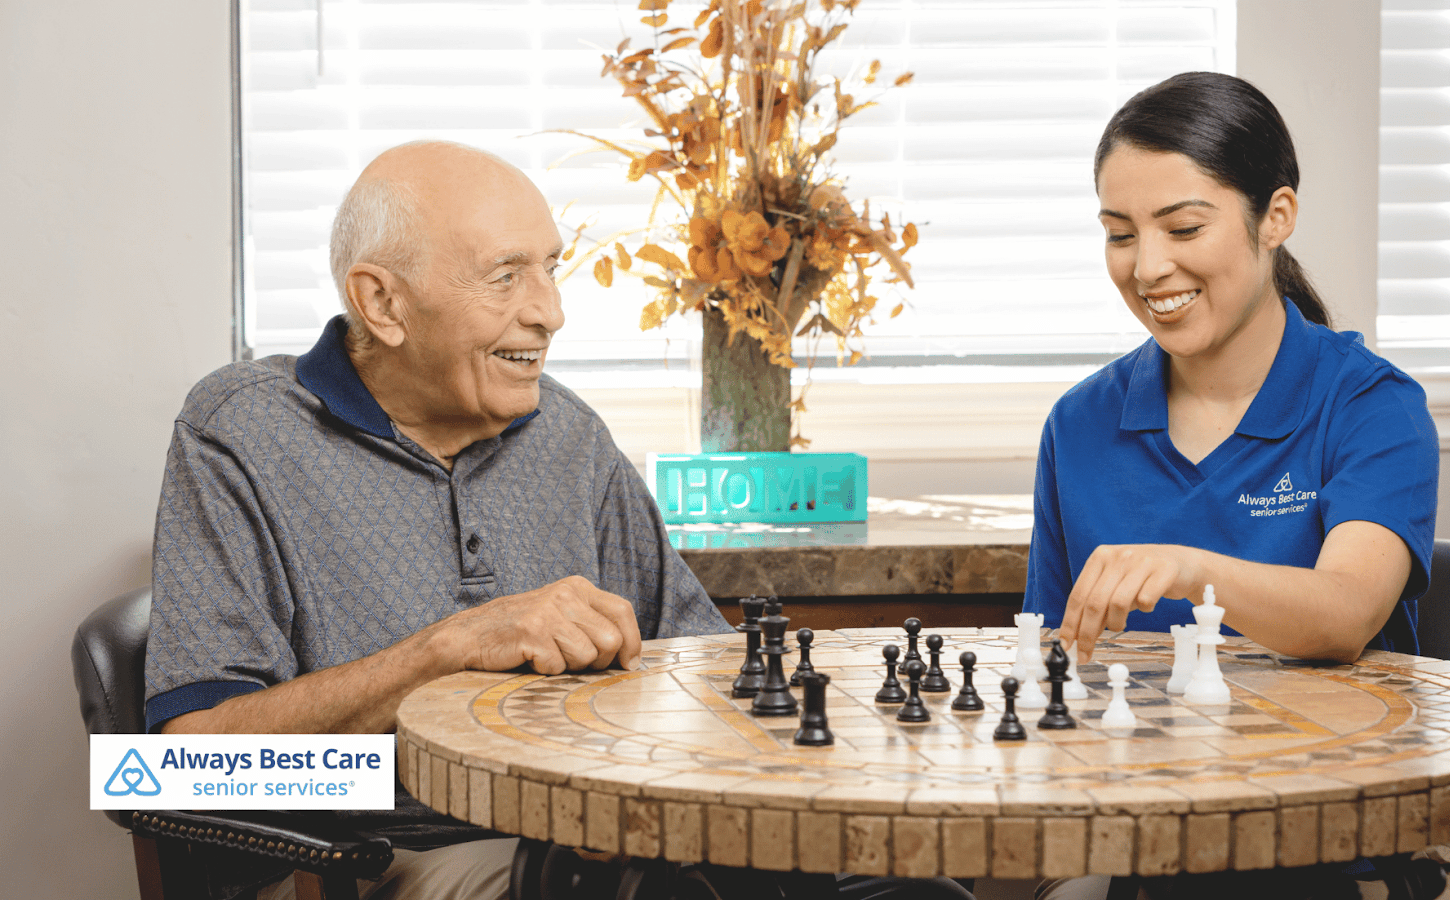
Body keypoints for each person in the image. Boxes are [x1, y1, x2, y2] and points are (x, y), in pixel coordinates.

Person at [146, 140, 973, 900]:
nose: (550, 312)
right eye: (506, 276)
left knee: (917, 888)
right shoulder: (239, 433)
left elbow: (702, 666)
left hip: (617, 836)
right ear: (383, 302)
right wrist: (445, 651)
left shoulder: (570, 434)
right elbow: (187, 769)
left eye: (550, 269)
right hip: (405, 850)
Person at [1025, 74, 1450, 898]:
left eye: (1184, 226)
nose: (1148, 266)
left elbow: (1344, 615)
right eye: (1119, 234)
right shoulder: (1078, 425)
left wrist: (1181, 567)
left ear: (1276, 216)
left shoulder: (1373, 407)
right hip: (1140, 838)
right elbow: (1056, 665)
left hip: (1351, 842)